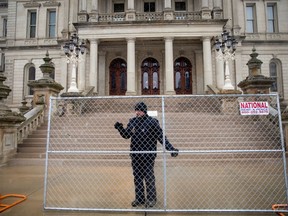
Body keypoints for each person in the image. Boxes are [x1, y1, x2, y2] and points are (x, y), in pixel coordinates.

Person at [114, 102, 179, 208]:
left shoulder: (152, 122)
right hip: (136, 155)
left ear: (144, 111)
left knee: (149, 177)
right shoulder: (133, 122)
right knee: (137, 177)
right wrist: (120, 128)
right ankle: (139, 198)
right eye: (136, 110)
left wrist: (171, 149)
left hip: (148, 156)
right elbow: (126, 135)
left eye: (139, 110)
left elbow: (161, 137)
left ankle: (151, 199)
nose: (137, 112)